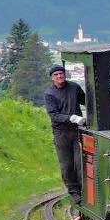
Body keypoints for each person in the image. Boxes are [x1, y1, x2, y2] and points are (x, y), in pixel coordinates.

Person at [44, 63, 87, 204]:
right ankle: (74, 192)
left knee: (80, 162)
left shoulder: (74, 87)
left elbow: (86, 101)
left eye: (61, 73)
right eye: (56, 75)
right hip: (61, 133)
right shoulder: (49, 94)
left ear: (64, 74)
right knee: (67, 165)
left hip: (77, 131)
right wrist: (71, 118)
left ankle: (85, 191)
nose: (59, 76)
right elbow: (53, 115)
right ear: (52, 78)